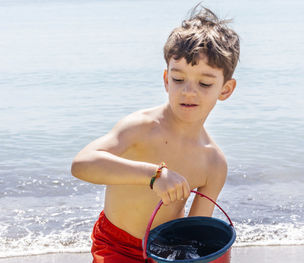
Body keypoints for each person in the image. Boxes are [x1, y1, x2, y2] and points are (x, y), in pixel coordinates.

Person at [71, 5, 240, 263]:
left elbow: (196, 235)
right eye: (178, 79)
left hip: (168, 251)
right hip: (116, 244)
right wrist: (154, 175)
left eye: (204, 83)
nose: (188, 91)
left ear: (225, 89)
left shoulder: (214, 163)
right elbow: (81, 164)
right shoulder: (142, 126)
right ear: (166, 80)